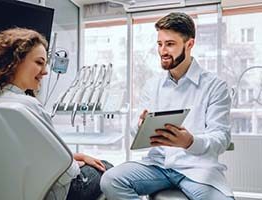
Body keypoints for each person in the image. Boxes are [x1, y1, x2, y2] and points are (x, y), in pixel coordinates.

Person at [100, 12, 234, 200]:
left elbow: (221, 138)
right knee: (110, 180)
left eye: (170, 44)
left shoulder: (215, 86)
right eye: (160, 44)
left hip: (197, 169)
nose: (163, 51)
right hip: (158, 166)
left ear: (189, 44)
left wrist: (189, 142)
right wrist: (140, 125)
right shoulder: (152, 85)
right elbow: (134, 129)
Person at [0, 27, 113, 200]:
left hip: (14, 190)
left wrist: (74, 157)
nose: (45, 71)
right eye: (39, 62)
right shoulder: (27, 106)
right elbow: (67, 172)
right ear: (15, 61)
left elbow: (26, 155)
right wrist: (75, 163)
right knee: (108, 169)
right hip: (55, 193)